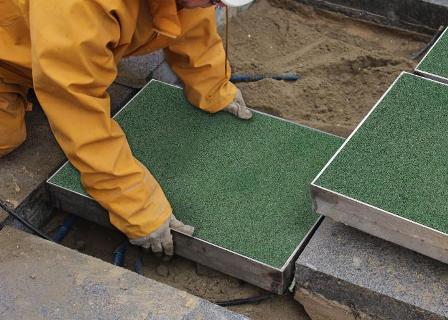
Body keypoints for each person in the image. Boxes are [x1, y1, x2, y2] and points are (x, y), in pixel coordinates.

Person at [0, 0, 252, 255]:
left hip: (44, 37)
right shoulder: (81, 6)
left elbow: (189, 16)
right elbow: (76, 104)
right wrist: (138, 207)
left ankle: (47, 65)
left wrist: (213, 86)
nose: (219, 4)